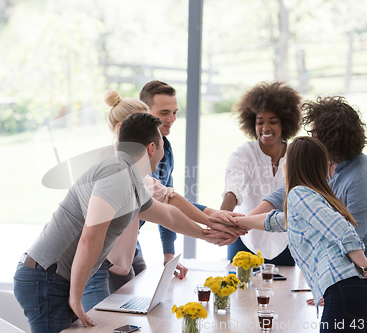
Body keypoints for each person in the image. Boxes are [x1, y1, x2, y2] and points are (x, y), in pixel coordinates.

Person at [13, 112, 232, 333]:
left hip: (54, 279)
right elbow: (91, 237)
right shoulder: (117, 173)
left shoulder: (132, 180)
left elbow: (169, 215)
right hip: (46, 279)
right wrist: (76, 297)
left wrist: (207, 234)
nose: (164, 152)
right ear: (151, 148)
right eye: (162, 145)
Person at [81, 91, 242, 312]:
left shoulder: (153, 157)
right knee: (106, 320)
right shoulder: (118, 169)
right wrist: (210, 225)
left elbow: (169, 198)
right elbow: (167, 208)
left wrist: (212, 218)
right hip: (100, 261)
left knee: (144, 309)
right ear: (122, 130)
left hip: (125, 253)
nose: (170, 121)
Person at [239, 96, 367, 297]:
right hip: (348, 266)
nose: (311, 138)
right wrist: (241, 223)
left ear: (332, 140)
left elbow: (350, 236)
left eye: (316, 134)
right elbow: (285, 195)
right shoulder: (322, 163)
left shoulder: (363, 176)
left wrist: (329, 285)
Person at [279, 136, 367, 331]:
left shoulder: (299, 194)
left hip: (348, 291)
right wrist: (234, 220)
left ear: (292, 164)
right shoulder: (322, 199)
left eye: (285, 158)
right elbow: (278, 220)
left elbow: (345, 232)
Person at [139, 80, 226, 277]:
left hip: (129, 241)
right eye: (164, 113)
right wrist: (211, 218)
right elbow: (164, 203)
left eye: (175, 112)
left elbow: (167, 197)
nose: (171, 119)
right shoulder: (136, 154)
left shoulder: (165, 149)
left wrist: (168, 253)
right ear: (144, 112)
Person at [221, 82, 302, 265]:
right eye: (260, 122)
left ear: (285, 123)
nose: (265, 127)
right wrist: (222, 219)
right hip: (245, 239)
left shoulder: (295, 155)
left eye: (272, 121)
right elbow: (233, 188)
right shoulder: (243, 154)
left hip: (286, 242)